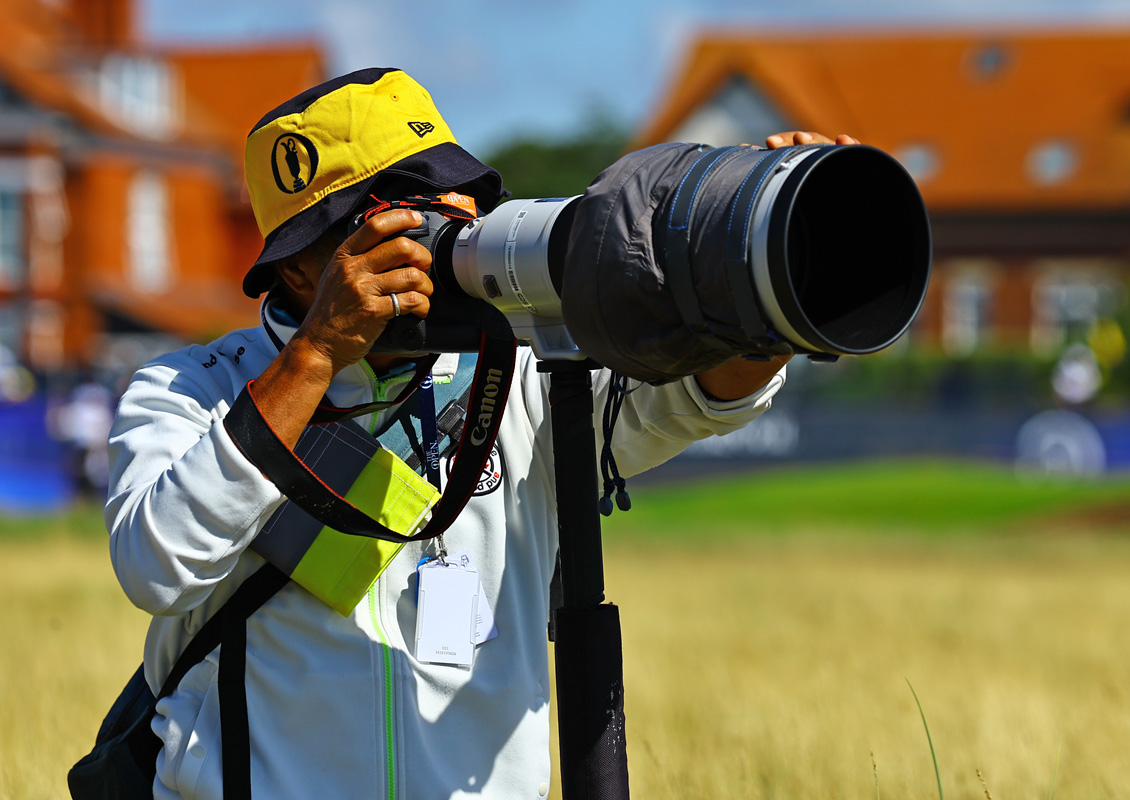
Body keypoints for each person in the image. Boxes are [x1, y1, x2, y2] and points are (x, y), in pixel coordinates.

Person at [106, 67, 852, 799]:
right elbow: (159, 566)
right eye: (406, 207)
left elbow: (694, 398)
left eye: (452, 190)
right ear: (303, 270)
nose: (450, 218)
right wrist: (317, 355)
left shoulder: (519, 372)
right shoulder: (194, 390)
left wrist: (769, 270)